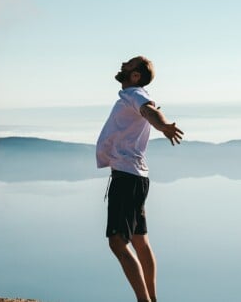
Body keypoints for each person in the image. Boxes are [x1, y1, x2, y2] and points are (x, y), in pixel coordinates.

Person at [96, 56, 183, 302]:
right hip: (135, 176)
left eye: (129, 64)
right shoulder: (134, 95)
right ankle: (152, 300)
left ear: (135, 76)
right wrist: (161, 124)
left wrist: (164, 126)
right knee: (139, 240)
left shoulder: (134, 95)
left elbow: (151, 112)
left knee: (117, 242)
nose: (123, 64)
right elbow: (151, 111)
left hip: (126, 176)